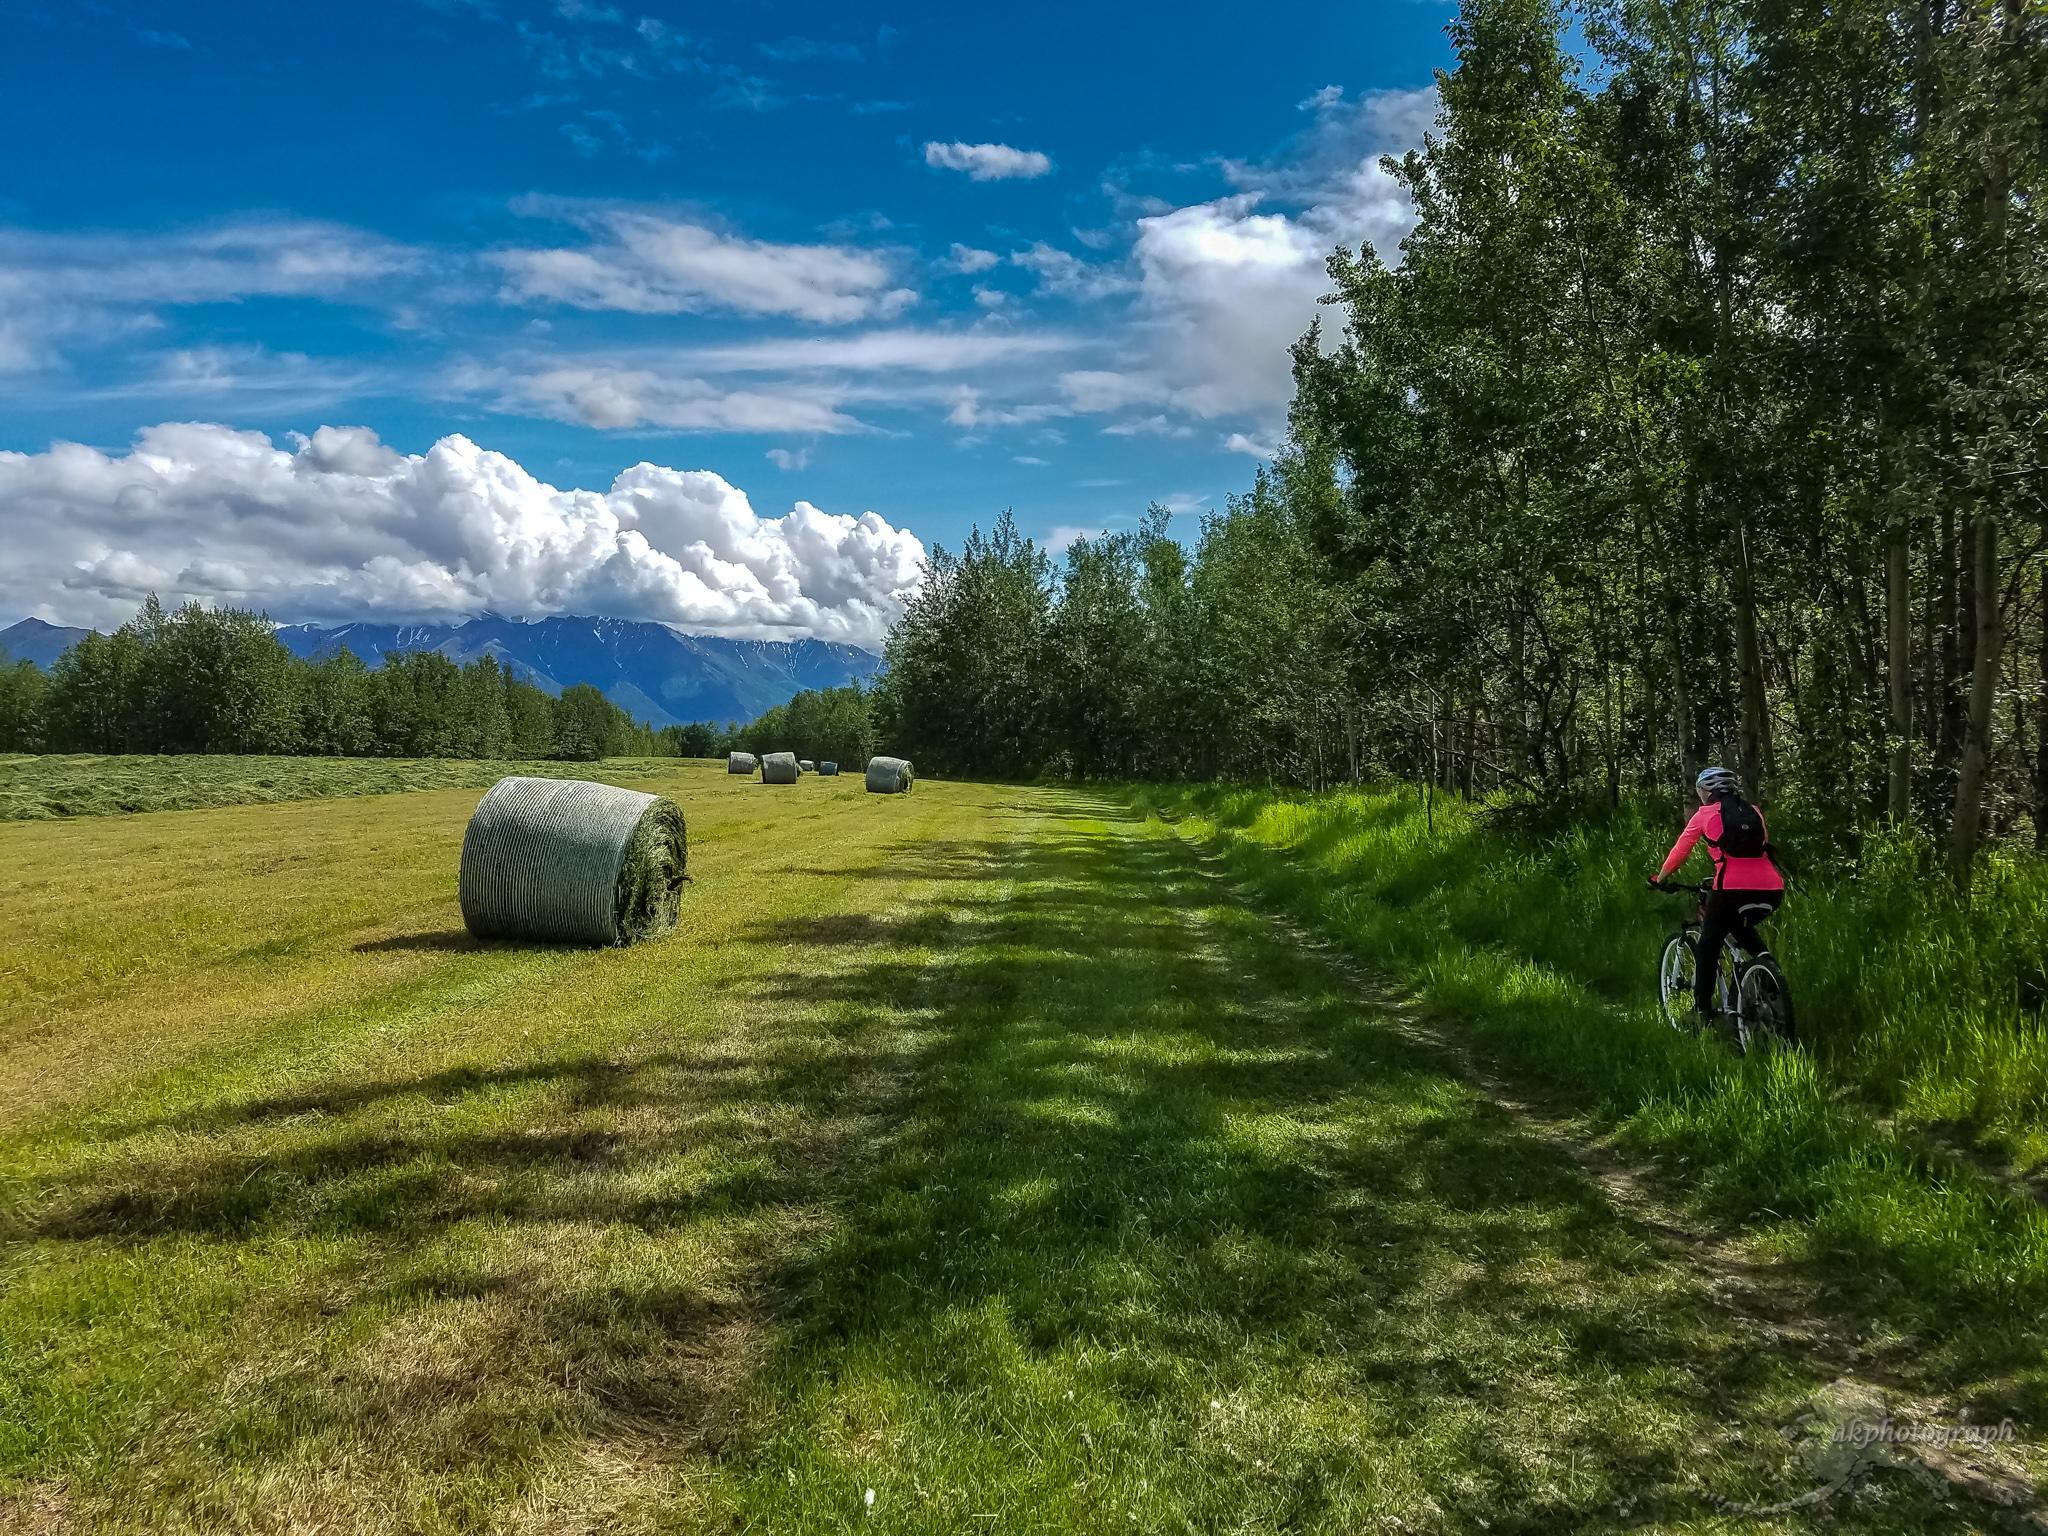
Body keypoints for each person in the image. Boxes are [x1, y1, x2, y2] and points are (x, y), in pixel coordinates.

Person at [1652, 767, 1785, 1024]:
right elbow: (1761, 848)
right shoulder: (1753, 811)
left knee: (1708, 946)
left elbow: (1680, 852)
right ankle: (1769, 973)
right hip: (1772, 888)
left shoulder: (1703, 815)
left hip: (1730, 888)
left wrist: (1661, 878)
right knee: (1741, 928)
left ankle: (1701, 1012)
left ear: (1706, 792)